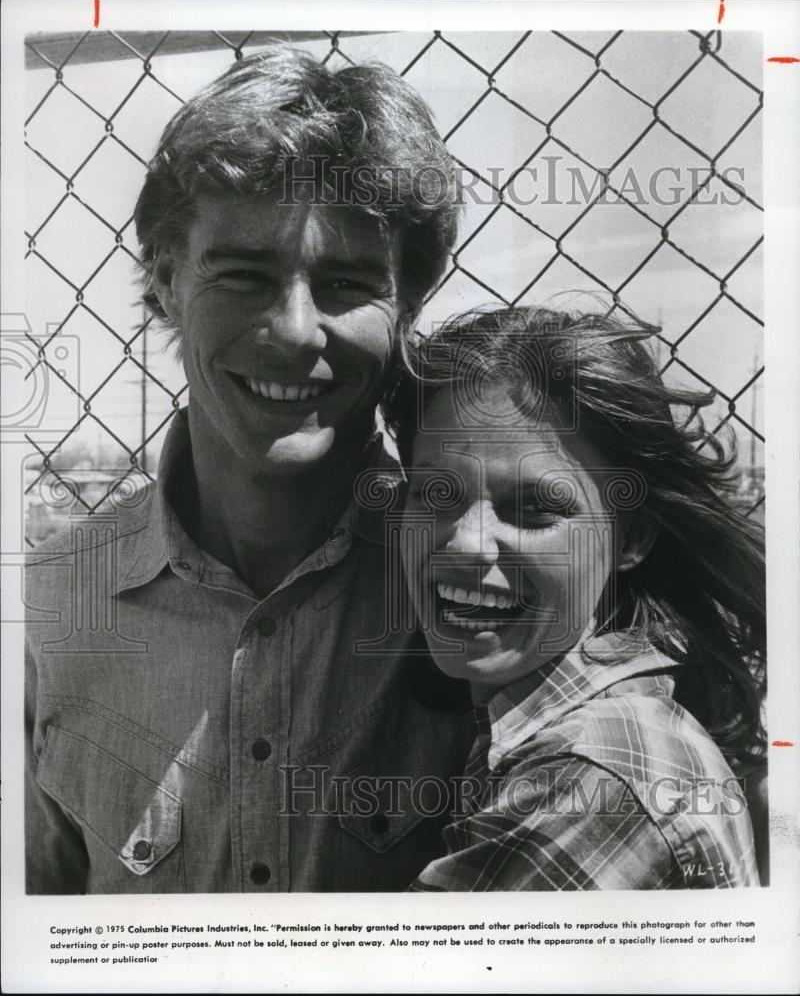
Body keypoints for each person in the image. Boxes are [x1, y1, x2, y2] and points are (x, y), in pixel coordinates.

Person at [24, 45, 475, 894]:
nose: (296, 330)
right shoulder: (50, 604)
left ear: (408, 304)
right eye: (242, 274)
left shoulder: (477, 590)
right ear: (162, 281)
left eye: (346, 282)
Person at [383, 304, 766, 890]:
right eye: (434, 493)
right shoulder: (574, 730)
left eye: (534, 508)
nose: (465, 542)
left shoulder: (590, 781)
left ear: (630, 538)